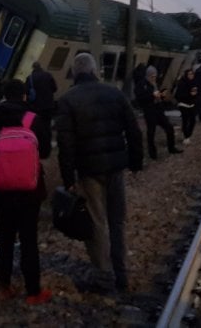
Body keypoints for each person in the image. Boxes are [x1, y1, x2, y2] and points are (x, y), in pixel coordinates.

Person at [56, 52, 143, 293]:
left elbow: (66, 145)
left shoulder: (67, 100)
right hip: (116, 167)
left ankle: (104, 278)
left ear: (75, 72)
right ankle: (121, 274)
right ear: (94, 70)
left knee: (97, 222)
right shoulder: (115, 93)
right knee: (117, 221)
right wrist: (136, 162)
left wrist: (68, 178)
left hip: (89, 171)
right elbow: (134, 130)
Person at [0, 79, 52, 305]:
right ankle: (33, 292)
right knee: (29, 239)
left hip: (2, 189)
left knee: (5, 237)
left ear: (3, 95)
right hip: (31, 189)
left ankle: (4, 287)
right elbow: (47, 151)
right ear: (24, 96)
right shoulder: (33, 119)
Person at [134, 65, 178, 159]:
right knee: (151, 133)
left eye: (155, 76)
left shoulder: (154, 84)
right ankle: (152, 154)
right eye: (152, 76)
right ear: (148, 75)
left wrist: (162, 95)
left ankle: (172, 148)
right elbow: (140, 99)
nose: (154, 78)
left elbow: (157, 96)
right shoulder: (142, 84)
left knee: (169, 127)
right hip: (150, 112)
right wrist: (152, 95)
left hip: (159, 110)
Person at [26, 61, 58, 130]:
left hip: (35, 106)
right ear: (40, 66)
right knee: (46, 125)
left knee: (35, 126)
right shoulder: (48, 75)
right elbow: (55, 88)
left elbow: (27, 91)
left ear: (33, 68)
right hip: (48, 105)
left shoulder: (30, 78)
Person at [173, 68, 198, 145]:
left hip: (191, 104)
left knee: (193, 121)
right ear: (186, 75)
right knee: (185, 120)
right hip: (183, 104)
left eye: (192, 74)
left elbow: (196, 94)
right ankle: (186, 137)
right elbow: (178, 95)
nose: (191, 75)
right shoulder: (182, 83)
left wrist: (195, 96)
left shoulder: (194, 82)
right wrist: (189, 94)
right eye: (189, 74)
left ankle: (187, 134)